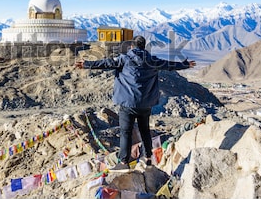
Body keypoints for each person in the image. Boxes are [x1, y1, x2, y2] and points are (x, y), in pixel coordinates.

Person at [74, 35, 196, 173]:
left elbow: (105, 63)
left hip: (127, 104)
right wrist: (185, 64)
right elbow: (169, 65)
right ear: (144, 46)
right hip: (145, 105)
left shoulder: (124, 59)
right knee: (145, 131)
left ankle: (124, 162)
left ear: (132, 46)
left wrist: (86, 64)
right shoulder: (153, 60)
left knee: (126, 132)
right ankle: (148, 159)